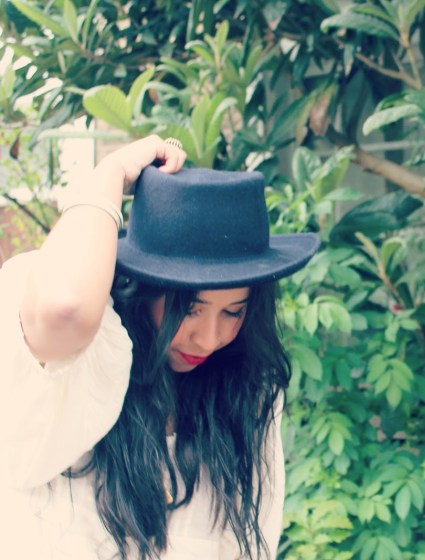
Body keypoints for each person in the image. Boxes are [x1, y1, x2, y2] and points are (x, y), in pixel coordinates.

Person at [0, 135, 320, 559]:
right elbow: (66, 309)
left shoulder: (243, 391)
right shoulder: (79, 363)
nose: (209, 338)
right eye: (190, 309)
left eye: (233, 312)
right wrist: (111, 173)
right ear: (142, 291)